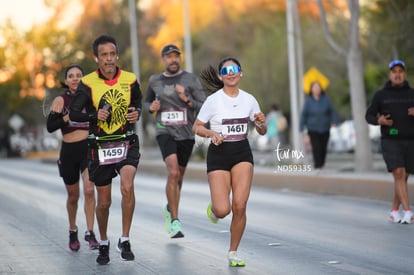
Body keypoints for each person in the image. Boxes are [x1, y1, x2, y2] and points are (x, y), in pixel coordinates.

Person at [69, 35, 142, 265]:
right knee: (104, 203)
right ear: (96, 58)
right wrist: (93, 115)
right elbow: (74, 114)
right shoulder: (88, 83)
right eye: (104, 55)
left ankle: (125, 238)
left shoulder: (130, 79)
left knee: (127, 186)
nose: (109, 59)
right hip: (100, 146)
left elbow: (138, 103)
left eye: (112, 54)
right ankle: (103, 241)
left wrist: (136, 113)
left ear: (116, 55)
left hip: (126, 140)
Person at [192, 57, 267, 267]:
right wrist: (210, 133)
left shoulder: (249, 100)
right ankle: (214, 209)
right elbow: (196, 127)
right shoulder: (213, 101)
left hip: (242, 153)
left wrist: (261, 124)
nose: (231, 73)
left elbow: (262, 130)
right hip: (218, 154)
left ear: (241, 73)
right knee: (223, 210)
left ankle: (233, 252)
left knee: (240, 206)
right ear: (220, 76)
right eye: (226, 71)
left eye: (234, 69)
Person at [144, 44, 206, 238]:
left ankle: (170, 207)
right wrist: (151, 107)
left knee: (178, 177)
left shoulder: (190, 79)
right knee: (172, 171)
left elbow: (203, 104)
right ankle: (175, 221)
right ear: (163, 59)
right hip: (164, 130)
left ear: (180, 59)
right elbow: (146, 102)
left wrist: (186, 99)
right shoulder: (155, 81)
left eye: (176, 56)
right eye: (169, 57)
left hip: (186, 134)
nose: (173, 60)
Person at [46, 64, 99, 251]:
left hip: (87, 149)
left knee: (90, 190)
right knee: (73, 196)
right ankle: (72, 230)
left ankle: (90, 232)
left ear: (84, 78)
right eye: (71, 76)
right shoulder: (61, 100)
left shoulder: (91, 98)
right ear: (66, 80)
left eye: (79, 75)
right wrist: (65, 118)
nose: (75, 78)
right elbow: (50, 126)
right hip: (68, 151)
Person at [365, 60, 414, 224]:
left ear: (404, 75)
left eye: (400, 71)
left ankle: (394, 211)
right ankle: (408, 211)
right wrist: (379, 121)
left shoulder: (412, 93)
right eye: (394, 72)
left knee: (404, 176)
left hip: (410, 140)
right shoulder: (381, 95)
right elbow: (369, 116)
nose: (397, 74)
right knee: (399, 173)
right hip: (390, 140)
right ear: (390, 75)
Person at [300, 81, 338, 169]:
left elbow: (332, 111)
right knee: (316, 147)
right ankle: (317, 165)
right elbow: (304, 115)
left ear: (321, 89)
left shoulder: (326, 100)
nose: (316, 89)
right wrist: (301, 127)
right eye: (315, 87)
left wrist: (334, 121)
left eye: (318, 87)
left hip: (325, 127)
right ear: (311, 89)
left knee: (323, 147)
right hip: (313, 128)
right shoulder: (308, 101)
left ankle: (322, 164)